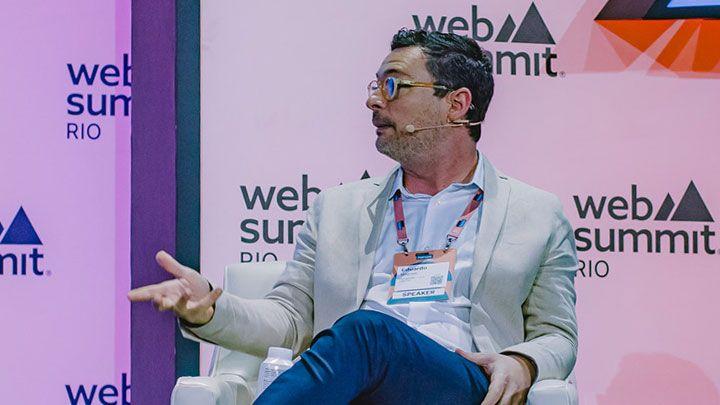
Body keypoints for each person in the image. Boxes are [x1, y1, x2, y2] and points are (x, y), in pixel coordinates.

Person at [129, 28, 578, 405]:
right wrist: (210, 308)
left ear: (456, 104)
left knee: (369, 332)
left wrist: (524, 362)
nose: (374, 102)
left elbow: (557, 334)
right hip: (352, 386)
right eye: (375, 86)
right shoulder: (337, 209)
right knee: (363, 338)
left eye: (393, 86)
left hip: (461, 386)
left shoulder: (535, 214)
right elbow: (290, 321)